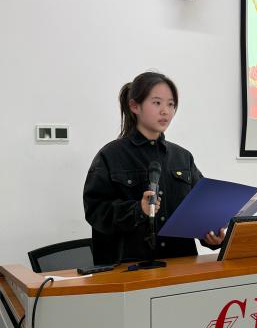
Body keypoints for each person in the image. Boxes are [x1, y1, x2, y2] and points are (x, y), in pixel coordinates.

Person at [83, 71, 225, 265]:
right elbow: (96, 211)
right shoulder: (110, 155)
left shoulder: (182, 157)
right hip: (130, 269)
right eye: (157, 103)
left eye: (171, 104)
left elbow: (200, 207)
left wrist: (211, 236)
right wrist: (137, 210)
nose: (165, 111)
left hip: (180, 265)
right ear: (134, 106)